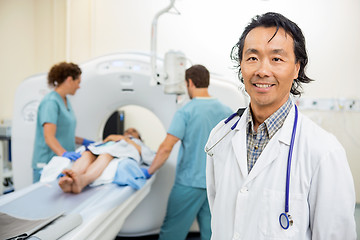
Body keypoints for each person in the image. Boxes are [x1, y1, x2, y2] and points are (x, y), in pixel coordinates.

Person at [205, 12, 357, 239]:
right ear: (241, 66)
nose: (262, 71)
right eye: (252, 58)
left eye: (277, 59)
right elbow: (219, 217)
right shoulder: (220, 136)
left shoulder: (324, 151)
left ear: (297, 68)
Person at [143, 65, 233, 240]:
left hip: (189, 184)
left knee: (171, 234)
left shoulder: (186, 110)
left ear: (189, 82)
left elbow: (166, 147)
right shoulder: (226, 111)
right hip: (216, 184)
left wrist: (148, 172)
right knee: (213, 234)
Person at [32, 62, 94, 183]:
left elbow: (63, 131)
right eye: (78, 82)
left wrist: (84, 142)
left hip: (60, 161)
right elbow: (49, 136)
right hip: (47, 162)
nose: (79, 86)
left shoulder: (65, 100)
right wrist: (64, 153)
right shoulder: (51, 102)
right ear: (70, 80)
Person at [58, 128, 155, 193]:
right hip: (103, 147)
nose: (129, 131)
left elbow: (149, 157)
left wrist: (128, 140)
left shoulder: (137, 142)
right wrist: (112, 139)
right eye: (127, 130)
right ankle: (70, 178)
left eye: (133, 131)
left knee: (106, 155)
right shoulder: (114, 137)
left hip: (116, 151)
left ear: (139, 137)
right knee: (87, 153)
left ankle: (83, 180)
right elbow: (102, 143)